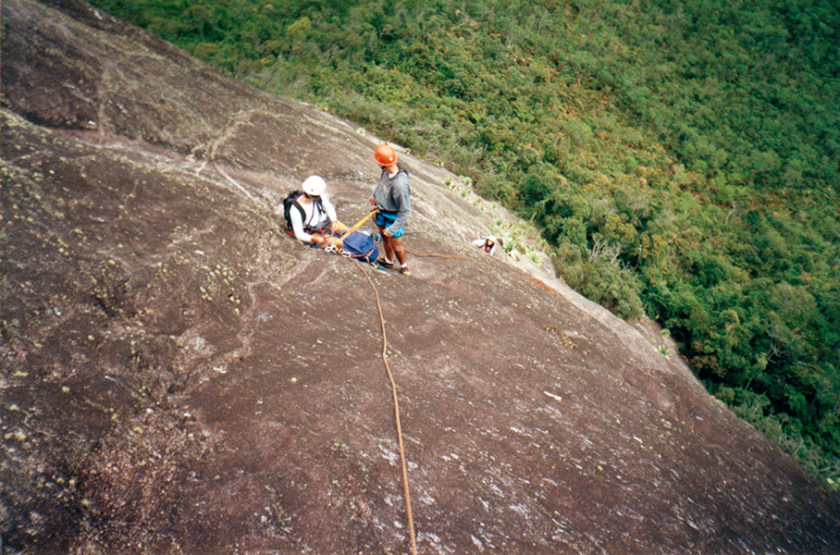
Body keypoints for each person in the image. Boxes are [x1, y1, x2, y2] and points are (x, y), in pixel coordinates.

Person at [369, 144, 412, 275]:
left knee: (396, 246)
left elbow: (405, 211)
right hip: (382, 211)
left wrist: (393, 228)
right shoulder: (386, 170)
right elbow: (381, 183)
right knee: (384, 237)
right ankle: (388, 260)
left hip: (394, 216)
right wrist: (375, 196)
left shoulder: (400, 186)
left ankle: (403, 266)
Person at [286, 175, 347, 247]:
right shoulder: (295, 209)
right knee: (341, 243)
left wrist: (334, 221)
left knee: (351, 233)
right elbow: (299, 234)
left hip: (327, 223)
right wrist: (316, 239)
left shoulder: (320, 196)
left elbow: (329, 208)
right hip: (312, 231)